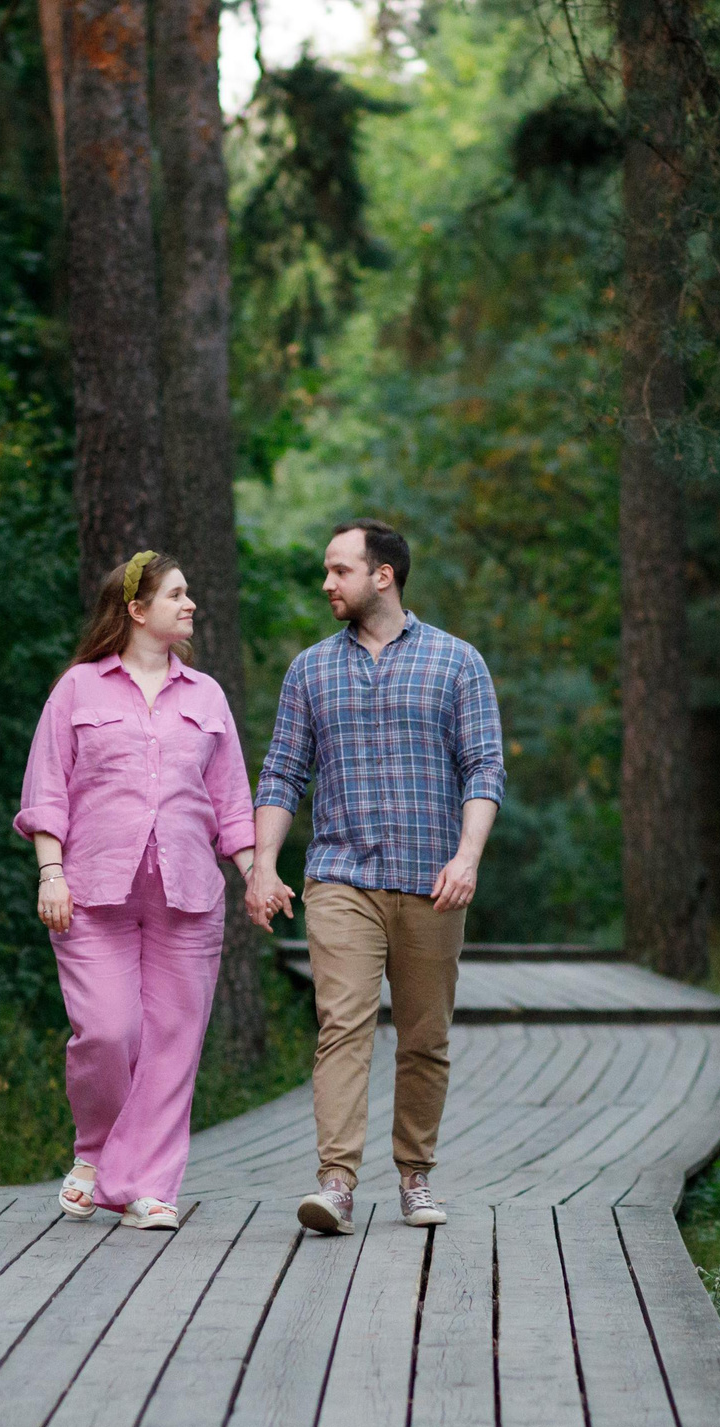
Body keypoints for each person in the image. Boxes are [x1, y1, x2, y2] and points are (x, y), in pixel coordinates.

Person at [246, 520, 505, 1235]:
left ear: (382, 574)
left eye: (339, 570)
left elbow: (484, 768)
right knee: (343, 1024)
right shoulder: (310, 670)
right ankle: (336, 1181)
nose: (327, 583)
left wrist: (468, 855)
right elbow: (281, 774)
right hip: (340, 876)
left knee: (424, 1035)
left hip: (433, 879)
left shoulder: (458, 663)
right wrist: (263, 864)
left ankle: (415, 1176)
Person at [17, 551, 258, 1230]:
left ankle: (149, 1187)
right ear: (136, 609)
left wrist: (255, 875)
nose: (191, 605)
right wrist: (50, 872)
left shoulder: (206, 696)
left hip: (188, 896)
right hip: (91, 894)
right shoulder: (78, 689)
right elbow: (46, 790)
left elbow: (232, 800)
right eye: (177, 594)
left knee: (173, 1044)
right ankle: (95, 1154)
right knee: (108, 1031)